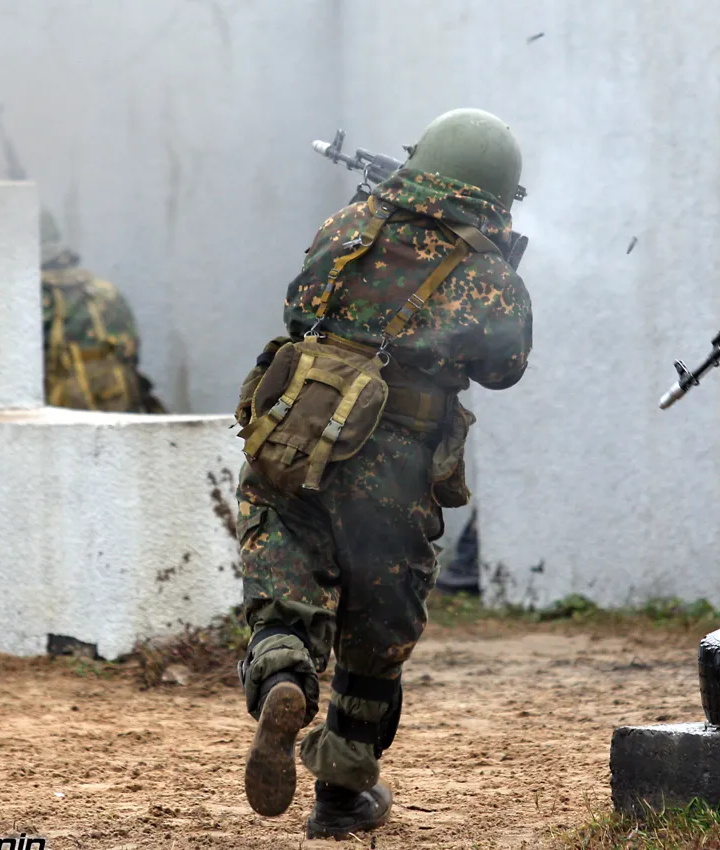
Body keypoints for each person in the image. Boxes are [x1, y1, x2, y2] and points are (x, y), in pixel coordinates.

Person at [231, 108, 532, 839]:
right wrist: (494, 267)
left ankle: (280, 676)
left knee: (285, 578)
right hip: (394, 458)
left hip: (298, 430)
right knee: (376, 625)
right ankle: (340, 794)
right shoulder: (486, 274)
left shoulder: (349, 224)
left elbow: (299, 303)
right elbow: (504, 369)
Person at [39, 210, 165, 413]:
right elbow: (131, 356)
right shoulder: (104, 291)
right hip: (120, 417)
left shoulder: (29, 297)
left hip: (61, 423)